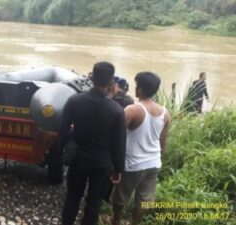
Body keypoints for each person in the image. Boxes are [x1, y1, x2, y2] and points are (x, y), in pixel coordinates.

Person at [58, 61, 126, 225]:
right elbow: (119, 143)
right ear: (111, 82)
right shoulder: (116, 110)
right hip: (102, 163)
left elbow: (62, 132)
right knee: (94, 201)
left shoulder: (74, 101)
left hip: (78, 159)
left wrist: (63, 151)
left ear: (92, 77)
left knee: (73, 196)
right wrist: (118, 169)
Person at [112, 72, 171, 225]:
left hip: (133, 164)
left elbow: (116, 137)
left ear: (140, 89)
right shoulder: (165, 113)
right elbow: (162, 144)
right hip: (154, 163)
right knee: (144, 199)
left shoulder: (132, 110)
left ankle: (115, 220)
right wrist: (159, 160)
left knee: (121, 196)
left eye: (137, 85)